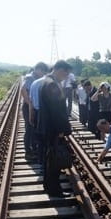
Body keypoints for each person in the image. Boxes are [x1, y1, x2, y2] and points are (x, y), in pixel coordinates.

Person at [37, 60, 72, 197]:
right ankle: (54, 190)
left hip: (47, 127)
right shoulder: (52, 84)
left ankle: (48, 186)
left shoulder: (45, 81)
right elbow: (56, 111)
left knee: (49, 158)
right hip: (53, 129)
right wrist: (62, 130)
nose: (66, 75)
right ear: (58, 69)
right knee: (54, 160)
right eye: (65, 72)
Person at [21, 62, 48, 160]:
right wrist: (30, 104)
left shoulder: (36, 78)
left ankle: (34, 149)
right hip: (28, 107)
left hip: (33, 107)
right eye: (43, 71)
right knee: (29, 129)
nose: (44, 73)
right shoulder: (30, 77)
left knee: (34, 129)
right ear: (38, 69)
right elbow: (23, 90)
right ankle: (28, 152)